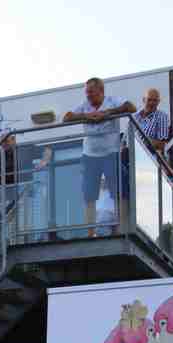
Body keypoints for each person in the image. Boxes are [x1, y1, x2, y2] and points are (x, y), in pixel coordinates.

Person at [63, 77, 135, 234]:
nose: (88, 95)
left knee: (119, 192)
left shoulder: (112, 101)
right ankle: (90, 233)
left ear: (101, 91)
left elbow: (131, 107)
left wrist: (108, 113)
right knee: (89, 195)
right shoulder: (84, 105)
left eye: (91, 92)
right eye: (87, 92)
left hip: (111, 154)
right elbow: (66, 117)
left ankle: (121, 230)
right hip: (89, 155)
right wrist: (86, 116)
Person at [134, 88, 170, 154]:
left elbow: (163, 144)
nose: (152, 103)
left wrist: (147, 141)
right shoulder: (134, 116)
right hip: (131, 153)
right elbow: (126, 138)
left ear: (158, 102)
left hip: (148, 155)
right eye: (149, 100)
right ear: (144, 100)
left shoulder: (162, 116)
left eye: (155, 100)